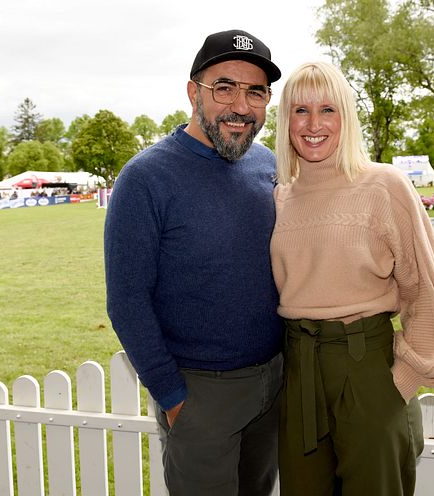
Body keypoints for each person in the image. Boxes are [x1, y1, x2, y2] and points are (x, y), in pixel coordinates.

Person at [104, 30, 284, 496]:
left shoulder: (267, 164)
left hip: (275, 383)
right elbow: (127, 300)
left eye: (256, 92)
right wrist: (172, 396)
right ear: (193, 92)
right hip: (200, 393)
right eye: (224, 88)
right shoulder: (144, 178)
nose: (241, 106)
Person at [271, 61, 434, 496]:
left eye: (327, 109)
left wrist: (403, 381)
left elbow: (424, 290)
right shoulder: (281, 195)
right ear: (286, 121)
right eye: (300, 111)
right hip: (299, 368)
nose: (313, 124)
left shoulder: (383, 185)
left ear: (346, 116)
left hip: (368, 369)